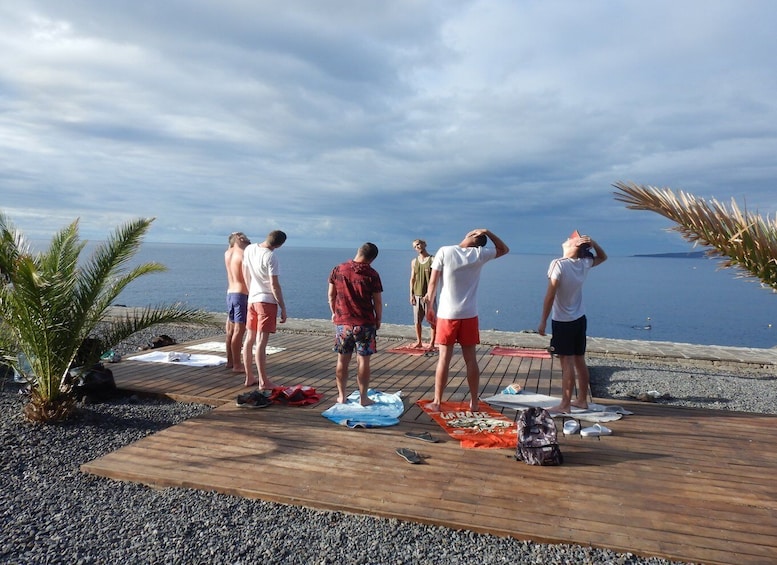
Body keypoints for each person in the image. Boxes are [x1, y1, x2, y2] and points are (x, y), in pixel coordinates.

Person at [423, 229, 509, 412]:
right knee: (471, 360)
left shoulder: (445, 251)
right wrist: (488, 232)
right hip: (469, 314)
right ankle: (474, 403)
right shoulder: (480, 254)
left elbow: (432, 283)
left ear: (471, 236)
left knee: (444, 359)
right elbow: (504, 249)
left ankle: (437, 402)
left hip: (447, 314)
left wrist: (429, 308)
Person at [537, 231, 607, 413]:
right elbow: (603, 257)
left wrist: (543, 321)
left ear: (576, 245)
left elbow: (550, 295)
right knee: (579, 360)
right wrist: (594, 243)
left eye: (572, 238)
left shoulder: (558, 264)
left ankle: (565, 405)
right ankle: (582, 400)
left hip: (563, 321)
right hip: (579, 319)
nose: (568, 238)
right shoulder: (584, 263)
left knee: (566, 363)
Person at [328, 242, 383, 406]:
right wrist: (378, 319)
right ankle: (363, 398)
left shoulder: (338, 269)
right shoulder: (372, 274)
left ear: (358, 252)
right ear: (372, 259)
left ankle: (341, 396)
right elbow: (377, 301)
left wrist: (334, 313)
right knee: (363, 360)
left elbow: (331, 295)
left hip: (343, 323)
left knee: (342, 360)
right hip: (365, 323)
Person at [242, 229, 288, 389]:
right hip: (266, 301)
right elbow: (274, 285)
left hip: (252, 299)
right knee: (261, 343)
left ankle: (249, 377)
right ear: (280, 245)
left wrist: (250, 291)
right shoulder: (271, 256)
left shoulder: (249, 249)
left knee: (249, 339)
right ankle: (263, 381)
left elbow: (245, 271)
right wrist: (282, 306)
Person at [224, 232, 251, 372]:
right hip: (241, 294)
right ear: (240, 239)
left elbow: (231, 244)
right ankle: (237, 365)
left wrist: (235, 238)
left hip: (230, 293)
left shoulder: (228, 253)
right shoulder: (243, 255)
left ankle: (230, 361)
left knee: (230, 330)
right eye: (245, 237)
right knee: (239, 331)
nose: (248, 239)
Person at [409, 239, 436, 349]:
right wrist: (411, 294)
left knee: (432, 320)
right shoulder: (414, 262)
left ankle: (432, 343)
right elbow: (412, 278)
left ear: (424, 244)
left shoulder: (433, 260)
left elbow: (435, 279)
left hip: (429, 296)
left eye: (419, 244)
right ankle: (419, 341)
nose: (417, 246)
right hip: (417, 295)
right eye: (415, 246)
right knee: (417, 320)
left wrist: (429, 294)